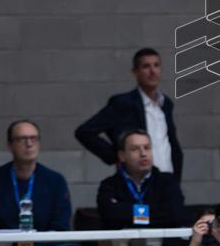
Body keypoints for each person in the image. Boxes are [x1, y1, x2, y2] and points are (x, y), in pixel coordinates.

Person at [0, 120, 84, 246]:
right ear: (10, 146)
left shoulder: (54, 180)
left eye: (33, 138)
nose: (29, 144)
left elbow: (60, 228)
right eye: (22, 139)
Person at [76, 48, 183, 179]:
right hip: (139, 181)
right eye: (146, 66)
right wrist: (117, 156)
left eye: (156, 65)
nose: (152, 71)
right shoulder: (123, 103)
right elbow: (84, 132)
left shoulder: (166, 104)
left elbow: (170, 143)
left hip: (168, 179)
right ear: (135, 72)